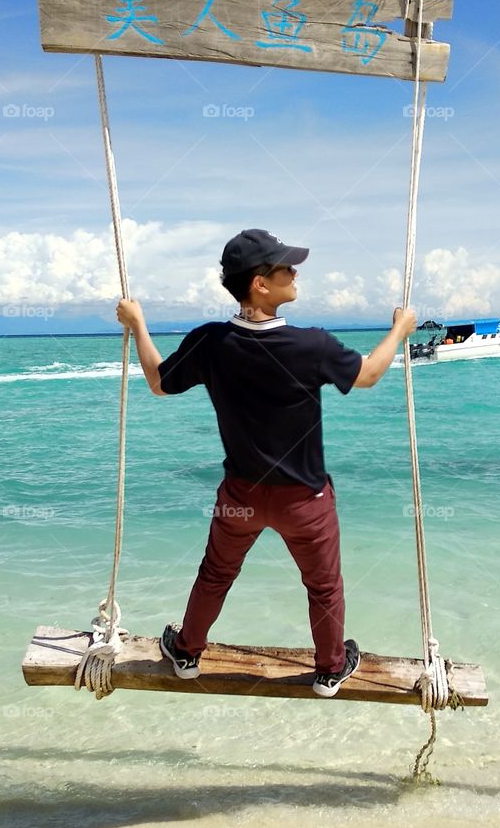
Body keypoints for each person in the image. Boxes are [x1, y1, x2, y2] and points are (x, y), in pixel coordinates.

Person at [117, 227, 416, 697]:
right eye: (285, 268)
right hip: (305, 502)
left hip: (241, 496)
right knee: (323, 586)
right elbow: (369, 375)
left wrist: (137, 324)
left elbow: (157, 383)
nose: (295, 273)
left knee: (216, 573)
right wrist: (400, 329)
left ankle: (188, 652)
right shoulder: (311, 345)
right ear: (259, 282)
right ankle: (329, 670)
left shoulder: (210, 343)